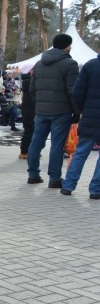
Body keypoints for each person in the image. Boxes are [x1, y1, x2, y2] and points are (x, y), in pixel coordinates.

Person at [27, 33, 80, 187]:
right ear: (67, 46)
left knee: (36, 143)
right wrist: (76, 111)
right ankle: (54, 178)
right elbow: (72, 91)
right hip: (61, 111)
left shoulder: (39, 63)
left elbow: (32, 89)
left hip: (41, 111)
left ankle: (33, 174)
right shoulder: (70, 64)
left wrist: (39, 104)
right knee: (57, 145)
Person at [61, 53, 100, 199]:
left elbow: (77, 91)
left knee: (81, 152)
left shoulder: (90, 65)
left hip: (90, 116)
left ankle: (68, 185)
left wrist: (84, 109)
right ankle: (96, 189)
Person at [19, 70, 35, 159]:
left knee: (29, 131)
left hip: (28, 109)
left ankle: (26, 150)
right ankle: (24, 151)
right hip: (30, 109)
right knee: (29, 131)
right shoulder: (29, 81)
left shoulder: (26, 81)